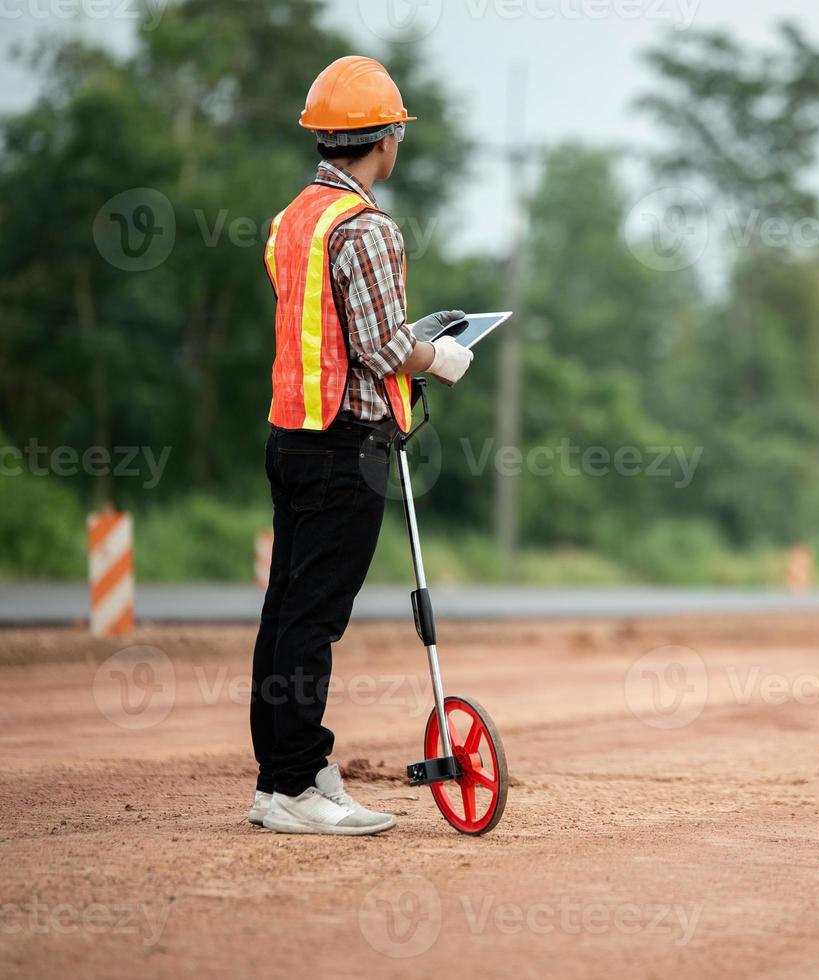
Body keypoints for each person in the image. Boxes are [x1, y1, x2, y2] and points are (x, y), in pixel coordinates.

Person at [247, 56, 473, 835]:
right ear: (385, 141)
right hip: (346, 445)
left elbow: (330, 330)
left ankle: (282, 781)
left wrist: (403, 343)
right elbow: (380, 346)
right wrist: (438, 356)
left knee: (285, 612)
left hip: (290, 433)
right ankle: (298, 788)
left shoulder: (293, 220)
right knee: (313, 619)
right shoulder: (369, 227)